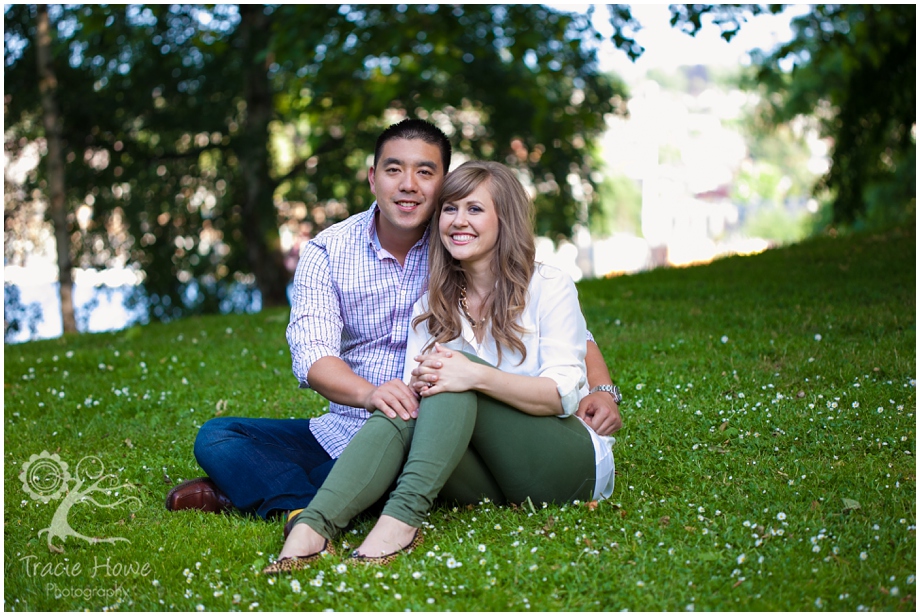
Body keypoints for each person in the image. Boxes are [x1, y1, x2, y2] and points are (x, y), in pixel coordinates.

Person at [165, 119, 623, 525]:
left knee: (398, 447)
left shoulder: (462, 239)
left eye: (425, 172)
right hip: (350, 421)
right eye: (394, 169)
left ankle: (249, 494)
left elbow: (554, 318)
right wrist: (370, 393)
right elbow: (313, 358)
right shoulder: (329, 252)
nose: (408, 185)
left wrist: (601, 390)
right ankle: (300, 503)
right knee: (219, 436)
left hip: (432, 426)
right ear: (372, 178)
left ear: (444, 183)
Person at [264, 160, 616, 573]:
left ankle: (401, 521)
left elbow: (560, 395)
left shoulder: (548, 286)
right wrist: (424, 384)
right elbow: (425, 394)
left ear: (506, 218)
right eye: (450, 209)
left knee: (450, 370)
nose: (458, 221)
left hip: (562, 465)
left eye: (475, 209)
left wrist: (475, 374)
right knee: (408, 402)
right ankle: (313, 527)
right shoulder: (433, 304)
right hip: (491, 477)